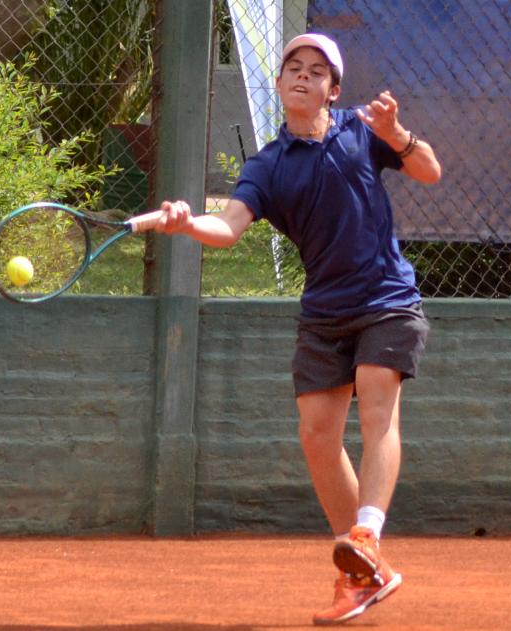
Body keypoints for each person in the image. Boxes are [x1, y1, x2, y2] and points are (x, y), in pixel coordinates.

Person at [154, 33, 442, 626]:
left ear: (333, 90)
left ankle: (366, 534)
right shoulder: (268, 165)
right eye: (294, 68)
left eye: (317, 71)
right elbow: (228, 227)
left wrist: (397, 135)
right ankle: (361, 571)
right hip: (324, 314)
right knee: (316, 436)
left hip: (388, 299)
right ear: (282, 85)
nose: (303, 76)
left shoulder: (363, 132)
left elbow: (430, 171)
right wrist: (185, 224)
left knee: (378, 400)